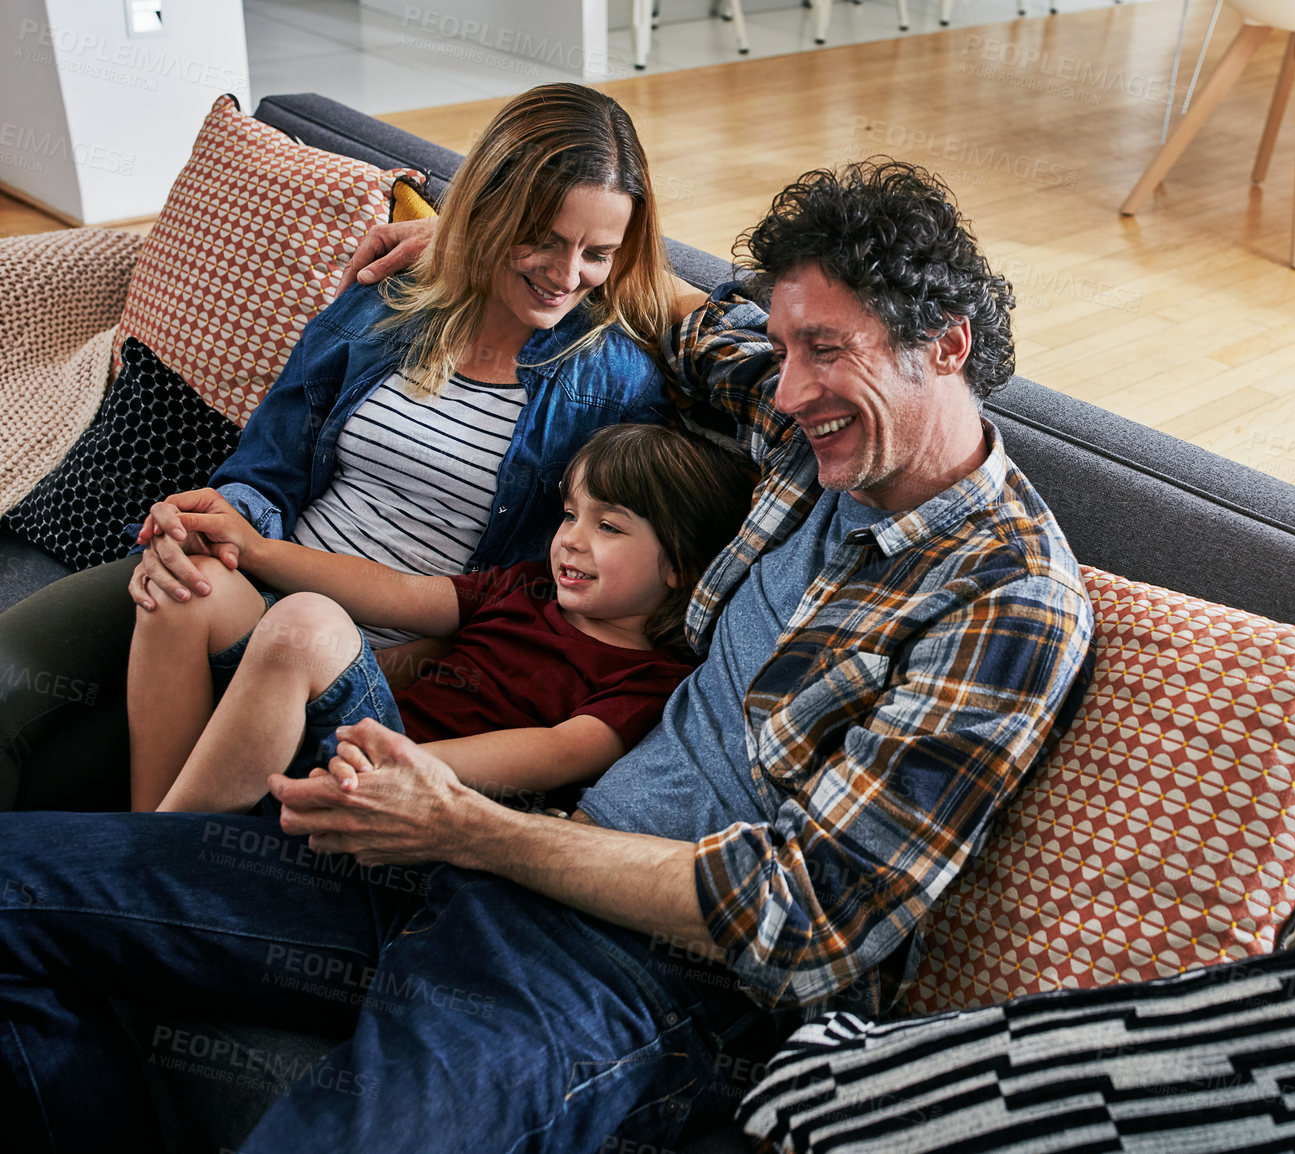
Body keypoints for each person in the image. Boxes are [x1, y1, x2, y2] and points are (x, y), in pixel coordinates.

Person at [0, 159, 1094, 1153]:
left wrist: (472, 824)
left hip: (632, 972)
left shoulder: (1007, 599)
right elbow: (681, 309)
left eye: (825, 350)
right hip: (482, 855)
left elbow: (809, 917)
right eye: (788, 344)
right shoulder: (818, 429)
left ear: (946, 345)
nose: (790, 385)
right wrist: (480, 242)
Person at [0, 82, 675, 812]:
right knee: (65, 651)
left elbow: (545, 595)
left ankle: (143, 875)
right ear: (486, 210)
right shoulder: (391, 298)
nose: (567, 275)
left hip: (369, 662)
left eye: (598, 253)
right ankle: (142, 864)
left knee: (60, 784)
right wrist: (215, 526)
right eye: (543, 238)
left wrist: (416, 661)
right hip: (251, 583)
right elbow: (268, 466)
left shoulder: (614, 387)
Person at [131, 424, 755, 815]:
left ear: (680, 564)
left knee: (309, 625)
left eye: (609, 526)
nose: (570, 539)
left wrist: (402, 767)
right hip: (346, 737)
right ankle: (147, 822)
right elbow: (397, 593)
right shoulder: (528, 586)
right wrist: (258, 548)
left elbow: (557, 751)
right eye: (570, 515)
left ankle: (149, 855)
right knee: (198, 586)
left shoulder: (655, 678)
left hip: (406, 791)